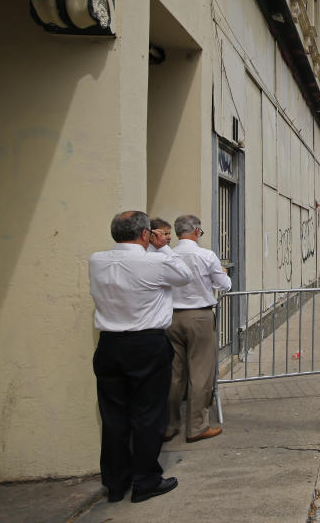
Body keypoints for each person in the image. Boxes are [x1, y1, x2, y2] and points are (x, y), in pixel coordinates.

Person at [89, 211, 192, 503]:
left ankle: (116, 482)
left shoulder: (96, 260)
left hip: (109, 344)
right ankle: (145, 480)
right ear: (146, 234)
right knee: (148, 414)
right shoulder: (155, 261)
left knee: (113, 416)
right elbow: (184, 277)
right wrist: (163, 248)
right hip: (146, 343)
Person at [164, 214, 232, 443]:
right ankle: (196, 426)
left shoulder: (168, 255)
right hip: (199, 316)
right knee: (200, 373)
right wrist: (223, 272)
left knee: (174, 374)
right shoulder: (205, 255)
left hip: (170, 317)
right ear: (196, 231)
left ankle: (169, 424)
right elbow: (224, 285)